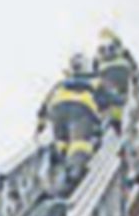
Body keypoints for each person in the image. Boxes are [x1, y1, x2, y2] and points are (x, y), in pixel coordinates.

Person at [37, 54, 108, 192]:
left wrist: (40, 124)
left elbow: (44, 106)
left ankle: (57, 159)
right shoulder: (95, 82)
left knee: (61, 141)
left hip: (57, 109)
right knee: (80, 145)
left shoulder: (61, 84)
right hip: (81, 110)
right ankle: (74, 173)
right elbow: (106, 100)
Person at [93, 29, 137, 129]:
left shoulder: (124, 54)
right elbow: (93, 76)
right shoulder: (97, 59)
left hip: (123, 94)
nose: (107, 50)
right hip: (108, 99)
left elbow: (135, 71)